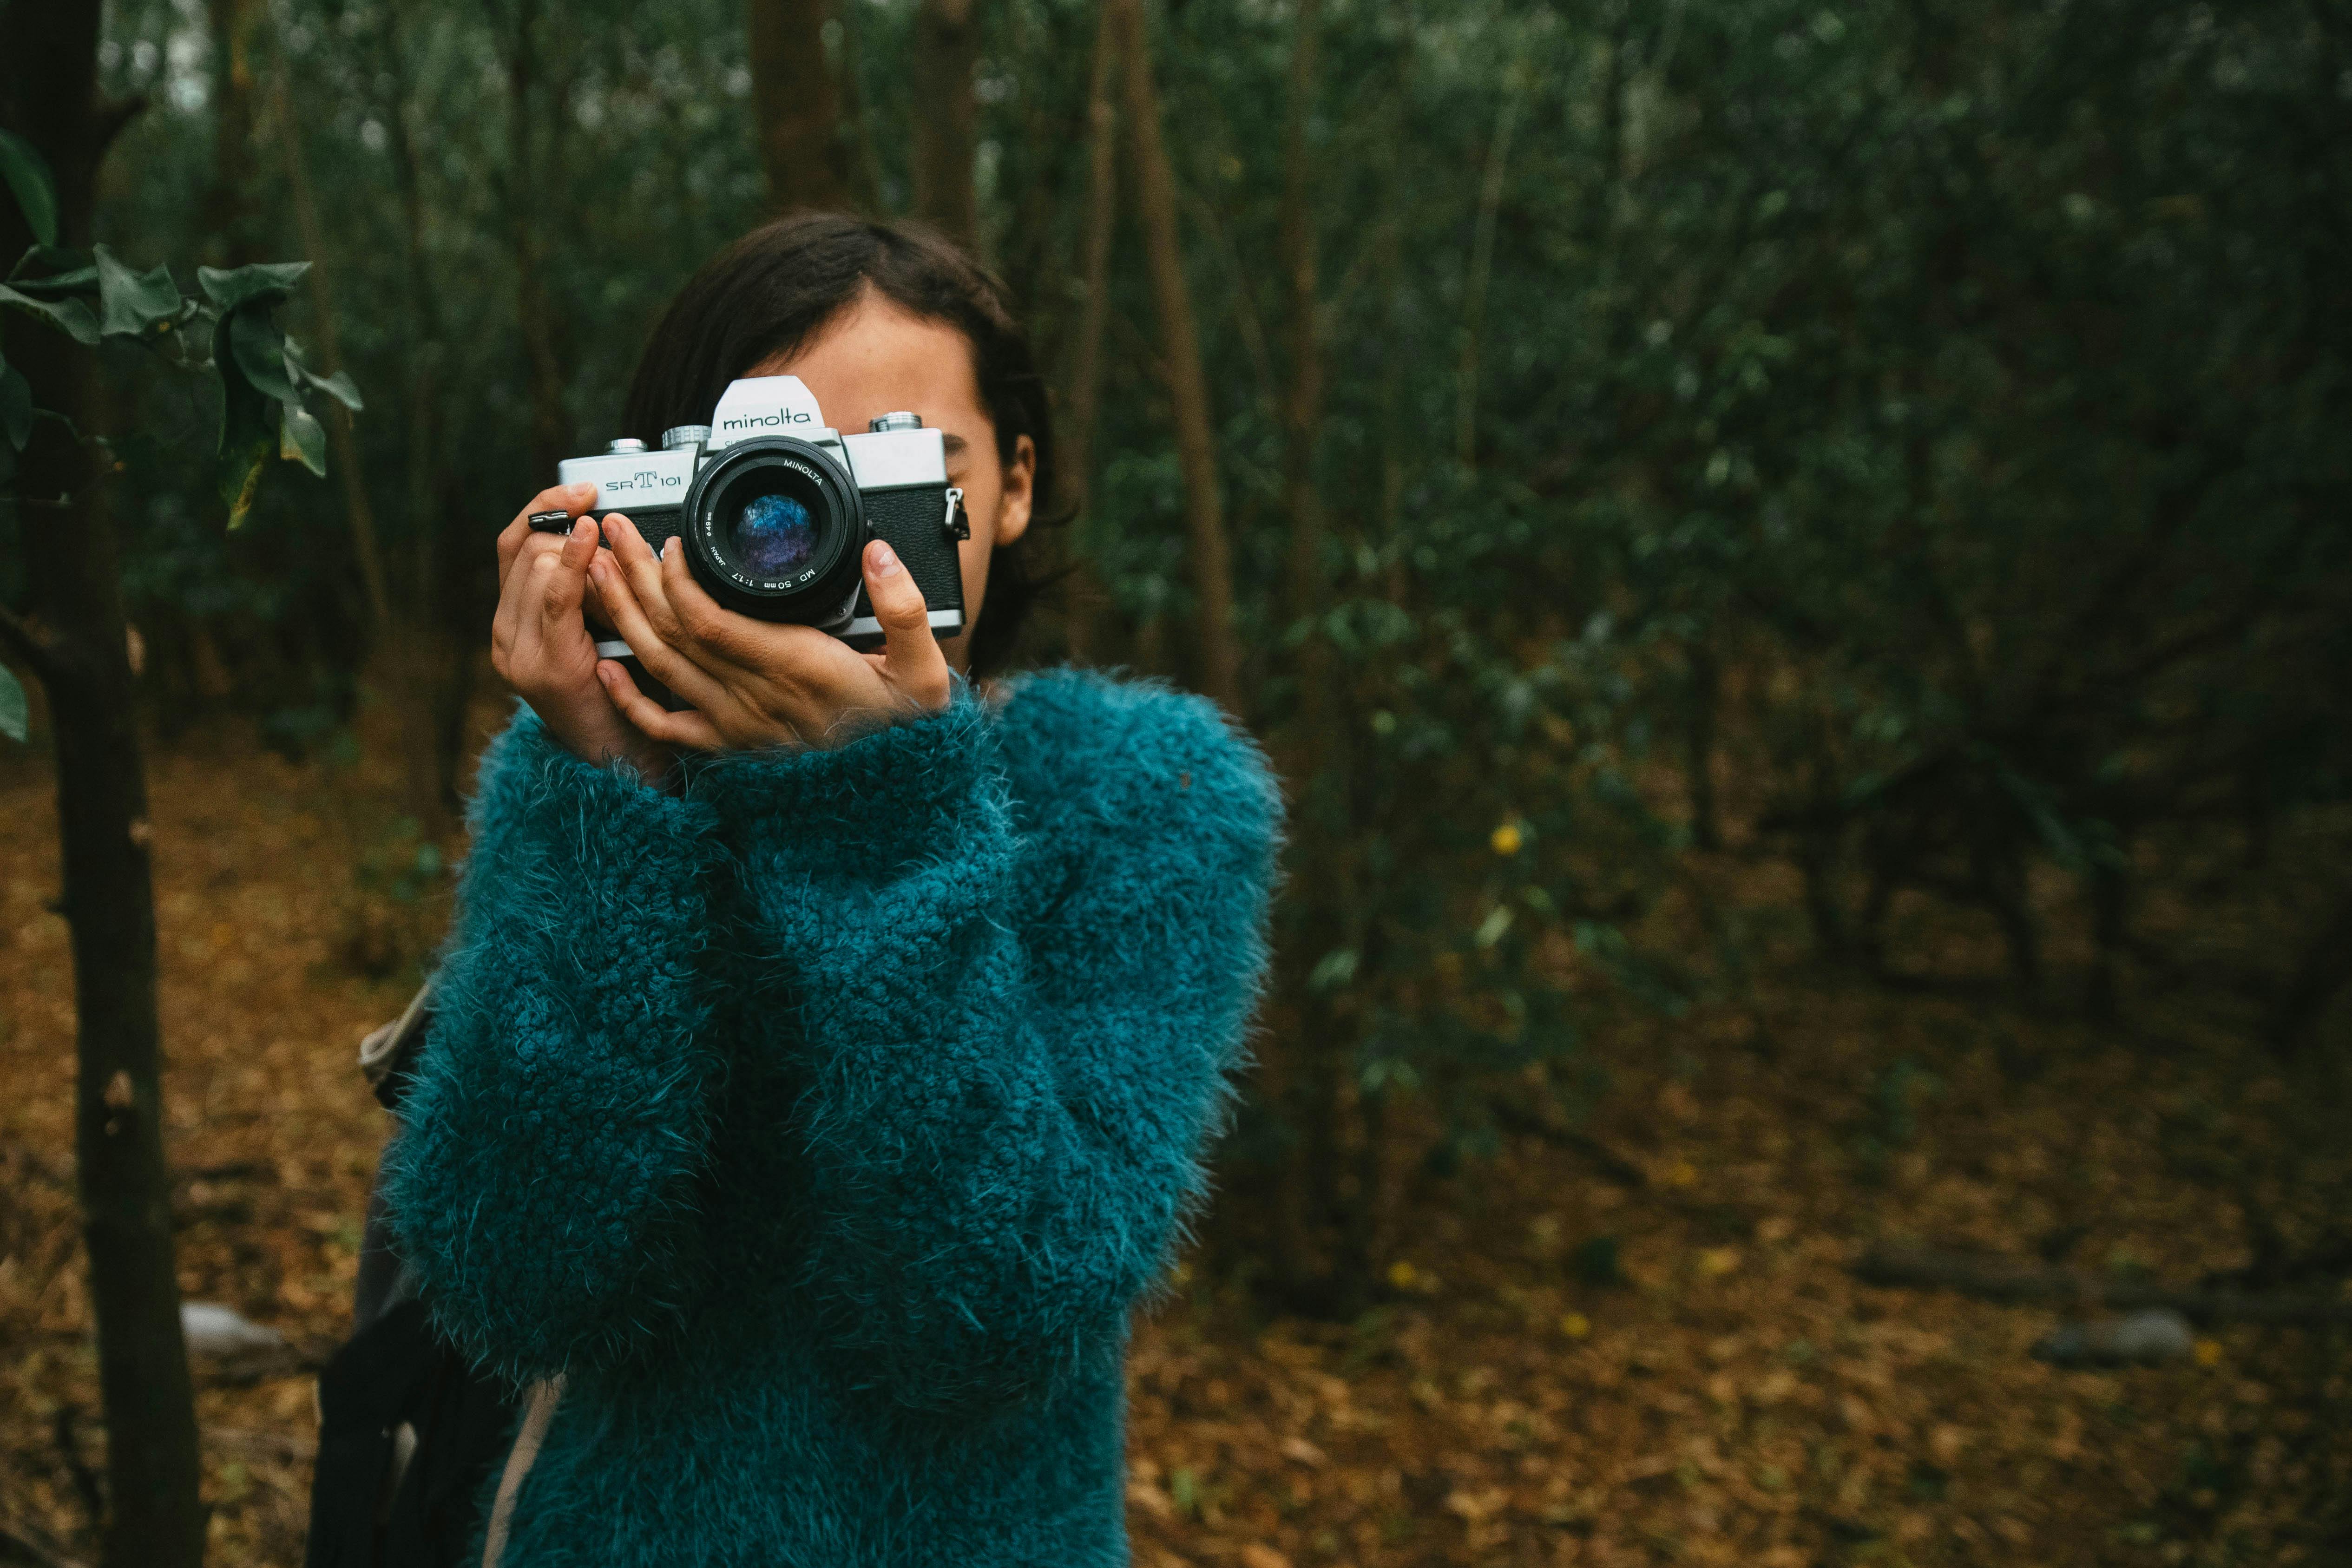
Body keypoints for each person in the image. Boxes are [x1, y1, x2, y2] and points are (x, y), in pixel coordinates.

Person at [374, 213, 1281, 1568]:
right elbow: (519, 1287)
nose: (818, 534)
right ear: (661, 495)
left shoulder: (1146, 791)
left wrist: (882, 812)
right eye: (773, 484)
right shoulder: (601, 777)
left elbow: (998, 1312)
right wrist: (604, 800)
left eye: (903, 470)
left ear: (1016, 484)